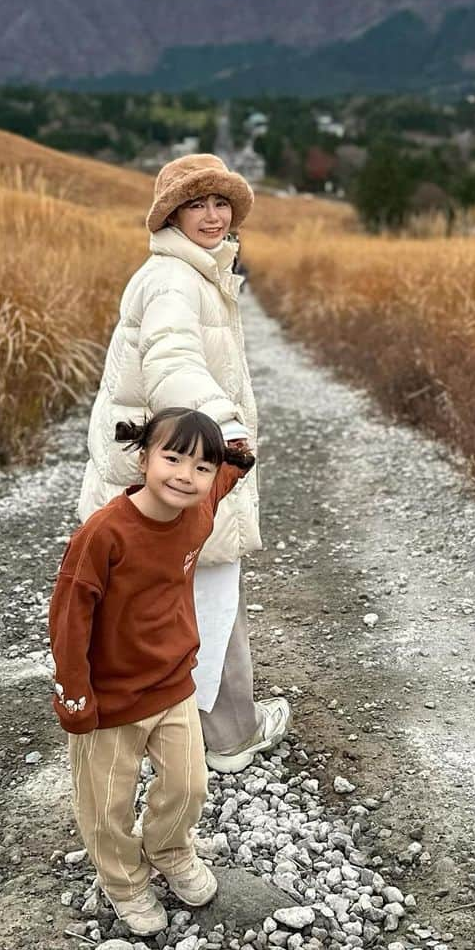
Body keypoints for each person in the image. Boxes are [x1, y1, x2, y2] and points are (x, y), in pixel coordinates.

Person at [79, 153, 290, 773]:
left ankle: (158, 729)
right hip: (179, 469)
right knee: (211, 588)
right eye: (196, 204)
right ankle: (228, 735)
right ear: (172, 214)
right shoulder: (176, 280)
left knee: (164, 595)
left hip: (155, 466)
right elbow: (170, 359)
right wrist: (221, 427)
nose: (212, 214)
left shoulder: (191, 272)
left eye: (221, 202)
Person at [49, 408, 255, 935]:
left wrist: (236, 455)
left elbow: (228, 475)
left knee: (189, 785)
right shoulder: (103, 536)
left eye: (201, 466)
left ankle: (169, 850)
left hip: (173, 685)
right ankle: (124, 882)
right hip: (111, 699)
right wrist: (75, 696)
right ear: (143, 457)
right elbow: (69, 617)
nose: (187, 475)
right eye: (173, 458)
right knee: (106, 806)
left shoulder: (198, 509)